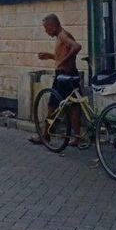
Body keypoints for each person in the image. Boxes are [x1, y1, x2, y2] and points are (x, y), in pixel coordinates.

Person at [29, 14, 83, 145]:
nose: (46, 31)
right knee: (74, 106)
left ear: (52, 26)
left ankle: (45, 135)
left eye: (46, 28)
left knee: (52, 106)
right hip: (71, 75)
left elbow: (77, 47)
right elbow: (63, 55)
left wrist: (62, 60)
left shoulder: (63, 35)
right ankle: (78, 137)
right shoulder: (61, 36)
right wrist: (51, 56)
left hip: (63, 76)